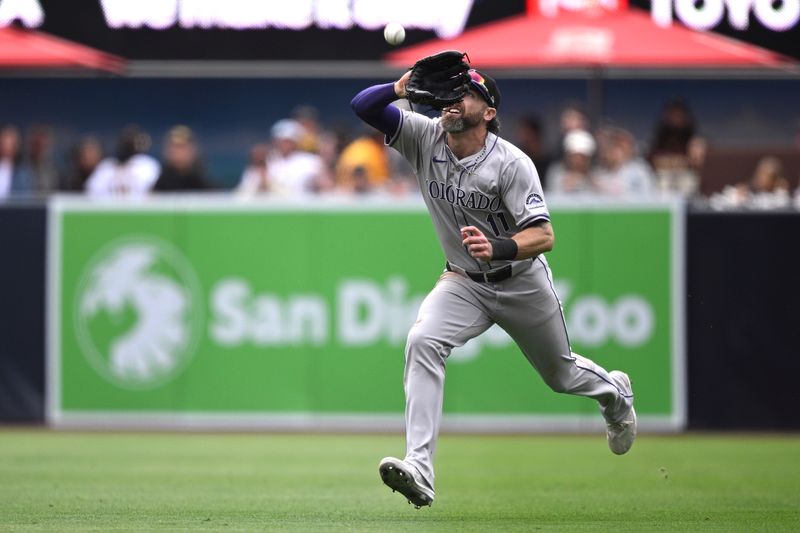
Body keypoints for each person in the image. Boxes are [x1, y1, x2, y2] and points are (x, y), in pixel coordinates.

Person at [351, 63, 637, 509]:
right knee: (423, 340)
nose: (452, 99)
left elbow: (544, 236)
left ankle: (615, 393)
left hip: (520, 282)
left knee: (560, 375)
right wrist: (400, 86)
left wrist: (500, 247)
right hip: (463, 282)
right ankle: (420, 470)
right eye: (450, 92)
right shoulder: (425, 136)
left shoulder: (512, 163)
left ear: (487, 112)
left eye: (464, 94)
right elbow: (363, 106)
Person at [85, 125, 160, 198]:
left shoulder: (147, 164)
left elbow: (156, 193)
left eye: (130, 143)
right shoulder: (107, 166)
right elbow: (91, 192)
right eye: (124, 142)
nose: (126, 146)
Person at [591, 126, 655, 197]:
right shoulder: (598, 172)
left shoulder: (639, 170)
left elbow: (647, 194)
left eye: (620, 148)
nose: (614, 152)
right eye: (611, 147)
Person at [153, 126, 215, 192]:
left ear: (193, 149)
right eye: (174, 147)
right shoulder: (158, 186)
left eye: (182, 147)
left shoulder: (206, 186)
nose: (177, 152)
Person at [545, 129, 596, 194]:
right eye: (574, 156)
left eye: (583, 157)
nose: (578, 161)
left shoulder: (597, 174)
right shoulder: (556, 173)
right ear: (567, 156)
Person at [0, 124, 32, 199]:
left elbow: (23, 199)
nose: (6, 147)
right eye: (3, 143)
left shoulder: (23, 173)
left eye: (10, 144)